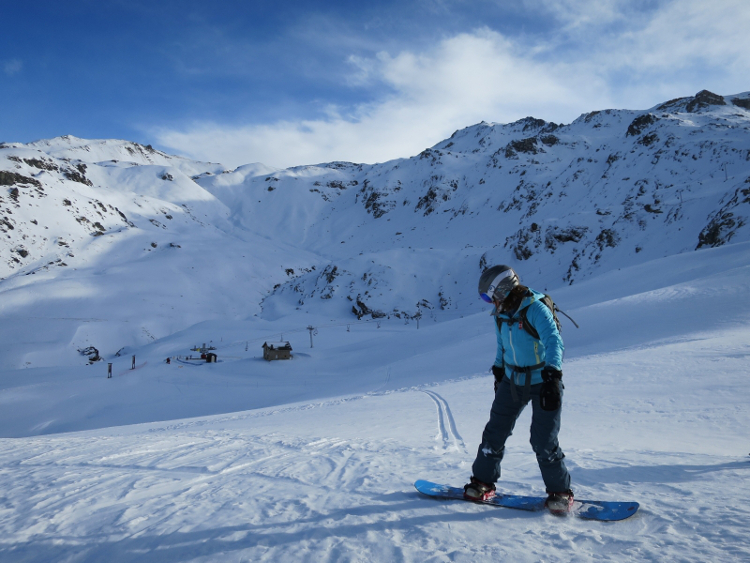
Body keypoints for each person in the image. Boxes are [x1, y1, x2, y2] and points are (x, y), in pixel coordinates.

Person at [464, 264, 573, 514]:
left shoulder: (535, 308)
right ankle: (482, 483)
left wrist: (553, 374)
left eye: (488, 296)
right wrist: (499, 369)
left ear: (502, 289)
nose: (489, 302)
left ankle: (560, 492)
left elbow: (554, 340)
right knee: (494, 433)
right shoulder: (501, 313)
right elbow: (502, 345)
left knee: (543, 440)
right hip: (512, 381)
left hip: (543, 382)